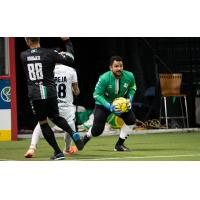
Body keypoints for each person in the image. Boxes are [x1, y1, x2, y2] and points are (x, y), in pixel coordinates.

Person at [20, 37, 83, 160]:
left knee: (43, 124)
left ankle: (58, 152)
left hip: (36, 94)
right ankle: (73, 132)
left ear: (27, 41)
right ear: (39, 38)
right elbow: (70, 59)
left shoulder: (23, 55)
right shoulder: (49, 53)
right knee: (56, 117)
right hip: (50, 92)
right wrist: (67, 41)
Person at [24, 63, 80, 158]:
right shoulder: (71, 70)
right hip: (67, 108)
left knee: (40, 125)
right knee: (69, 129)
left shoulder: (46, 69)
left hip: (53, 105)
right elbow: (77, 92)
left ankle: (32, 148)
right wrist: (71, 89)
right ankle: (67, 149)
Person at [82, 55, 137, 151]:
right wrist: (109, 106)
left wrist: (130, 98)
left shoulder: (129, 76)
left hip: (121, 104)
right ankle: (86, 137)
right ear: (110, 67)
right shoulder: (104, 78)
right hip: (103, 104)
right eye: (116, 66)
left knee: (131, 120)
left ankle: (119, 145)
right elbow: (96, 94)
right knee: (97, 131)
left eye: (121, 66)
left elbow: (132, 87)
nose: (119, 68)